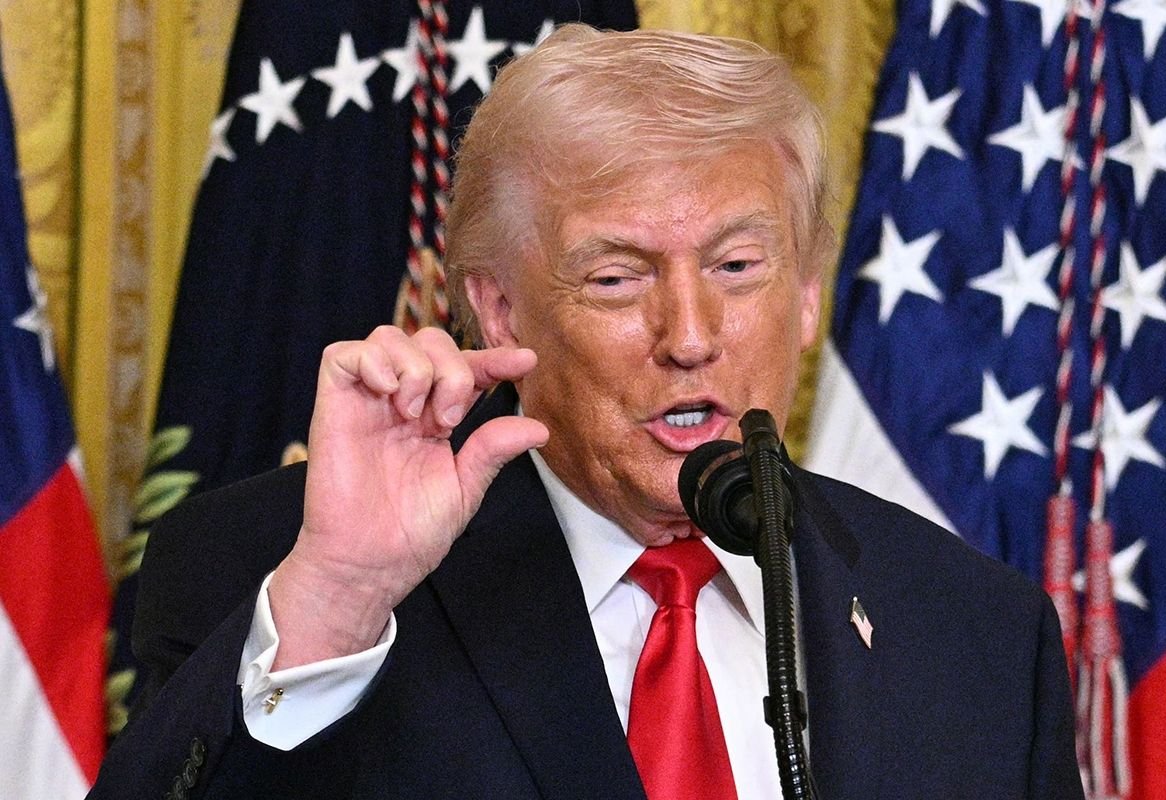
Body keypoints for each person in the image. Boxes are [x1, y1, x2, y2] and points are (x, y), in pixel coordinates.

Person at [89, 24, 1084, 800]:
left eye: (739, 266)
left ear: (810, 292)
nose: (689, 335)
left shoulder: (977, 631)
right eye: (616, 277)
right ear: (498, 309)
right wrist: (338, 598)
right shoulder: (283, 572)